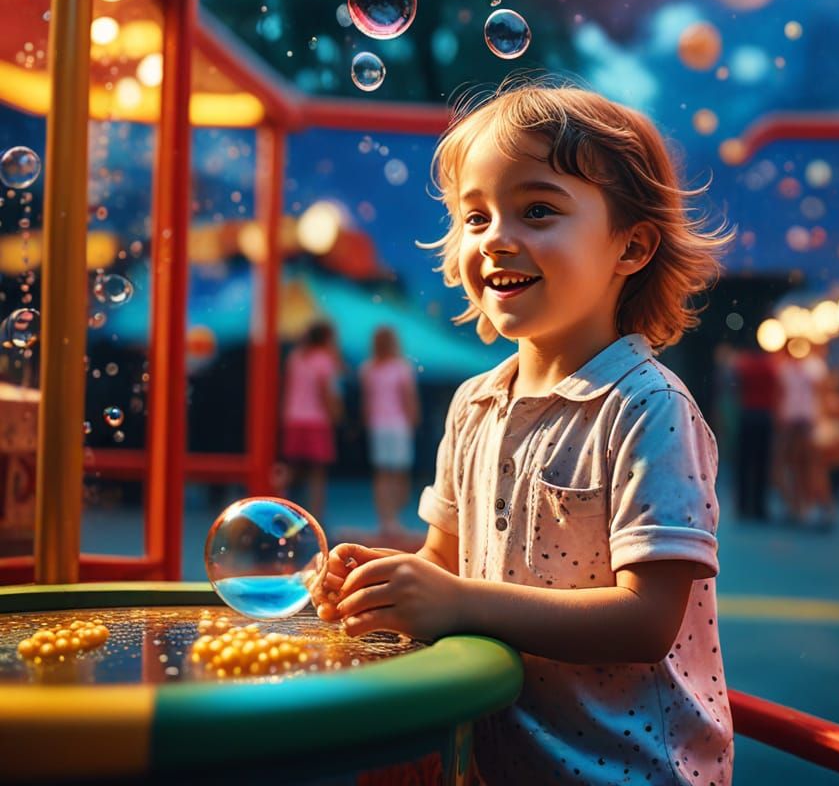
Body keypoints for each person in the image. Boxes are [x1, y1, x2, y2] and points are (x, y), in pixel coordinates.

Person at [314, 82, 734, 786]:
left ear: (631, 247)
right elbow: (445, 563)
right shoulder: (474, 403)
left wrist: (456, 602)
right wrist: (389, 584)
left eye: (537, 209)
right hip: (497, 761)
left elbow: (647, 619)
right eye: (476, 217)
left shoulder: (647, 405)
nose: (498, 237)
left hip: (631, 772)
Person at [359, 325, 420, 540]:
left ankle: (387, 519)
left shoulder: (368, 369)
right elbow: (409, 399)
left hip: (379, 426)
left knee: (383, 475)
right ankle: (392, 519)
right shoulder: (401, 368)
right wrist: (413, 422)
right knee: (399, 474)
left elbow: (366, 403)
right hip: (397, 425)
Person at [281, 319, 343, 526]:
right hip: (316, 421)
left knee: (292, 469)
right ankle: (315, 518)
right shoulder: (324, 360)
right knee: (317, 473)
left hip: (293, 418)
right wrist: (337, 415)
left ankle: (282, 510)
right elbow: (326, 391)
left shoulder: (295, 357)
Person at [774, 346, 828, 526]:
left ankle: (811, 505)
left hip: (804, 420)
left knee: (808, 464)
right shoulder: (786, 368)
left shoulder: (812, 366)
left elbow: (820, 392)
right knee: (793, 464)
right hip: (793, 420)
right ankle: (798, 506)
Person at [731, 345, 778, 520]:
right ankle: (759, 506)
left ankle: (743, 505)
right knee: (762, 463)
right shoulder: (770, 365)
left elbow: (736, 388)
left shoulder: (743, 364)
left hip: (748, 414)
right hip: (764, 416)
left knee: (744, 463)